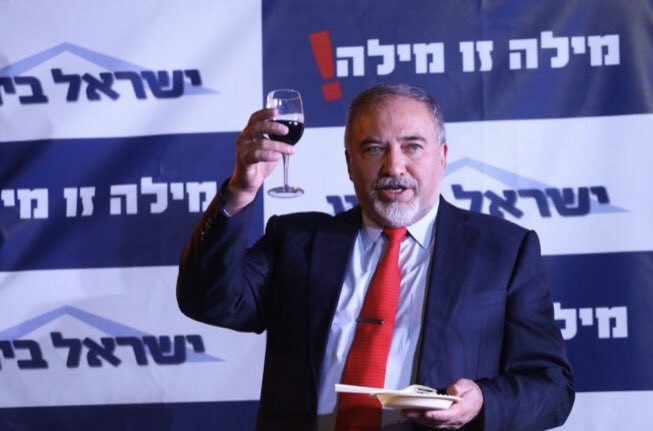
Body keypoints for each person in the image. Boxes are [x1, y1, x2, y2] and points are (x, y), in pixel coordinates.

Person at [176, 83, 575, 430]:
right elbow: (207, 300)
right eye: (372, 148)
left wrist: (483, 402)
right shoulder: (296, 241)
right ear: (349, 163)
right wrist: (240, 192)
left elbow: (552, 387)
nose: (393, 166)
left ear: (442, 156)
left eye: (412, 146)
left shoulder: (505, 251)